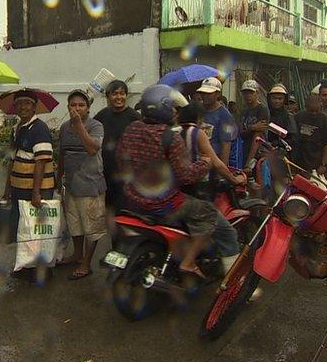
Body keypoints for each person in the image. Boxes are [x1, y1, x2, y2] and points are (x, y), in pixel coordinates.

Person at [118, 85, 239, 278]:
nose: (175, 111)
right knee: (208, 213)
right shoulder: (170, 137)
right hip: (163, 204)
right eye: (172, 107)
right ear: (163, 108)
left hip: (132, 199)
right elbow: (186, 176)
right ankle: (189, 262)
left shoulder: (131, 129)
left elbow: (121, 161)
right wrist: (204, 164)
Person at [0, 89, 56, 281]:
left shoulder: (39, 128)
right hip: (19, 188)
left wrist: (36, 192)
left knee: (37, 231)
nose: (23, 107)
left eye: (27, 103)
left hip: (35, 189)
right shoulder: (19, 127)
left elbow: (41, 161)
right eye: (20, 103)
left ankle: (42, 271)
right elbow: (11, 159)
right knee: (24, 229)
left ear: (34, 107)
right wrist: (7, 189)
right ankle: (27, 266)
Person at [57, 89, 106, 281]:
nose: (77, 109)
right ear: (68, 107)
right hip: (71, 186)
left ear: (88, 108)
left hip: (91, 185)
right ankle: (77, 254)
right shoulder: (63, 127)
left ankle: (86, 262)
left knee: (91, 227)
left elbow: (93, 149)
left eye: (81, 105)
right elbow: (62, 154)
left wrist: (79, 127)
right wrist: (58, 176)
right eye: (73, 105)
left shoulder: (96, 126)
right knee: (74, 224)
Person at [94, 80, 141, 214]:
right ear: (108, 96)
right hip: (106, 171)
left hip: (127, 173)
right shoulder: (102, 115)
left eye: (122, 93)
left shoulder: (134, 117)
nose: (119, 97)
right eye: (115, 94)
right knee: (108, 208)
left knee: (125, 209)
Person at [177, 103, 246, 193]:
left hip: (179, 186)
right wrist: (234, 179)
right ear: (198, 118)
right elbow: (216, 163)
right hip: (198, 187)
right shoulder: (197, 133)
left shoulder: (176, 131)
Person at [197, 77, 237, 165]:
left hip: (213, 162)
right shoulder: (198, 110)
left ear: (217, 94)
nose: (205, 96)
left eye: (209, 93)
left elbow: (226, 145)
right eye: (203, 93)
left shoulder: (226, 116)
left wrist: (222, 173)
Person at [293, 94, 327, 176]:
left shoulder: (326, 120)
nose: (314, 113)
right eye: (311, 111)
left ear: (320, 107)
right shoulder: (298, 117)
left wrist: (323, 164)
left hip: (317, 162)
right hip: (300, 161)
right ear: (306, 107)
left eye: (316, 111)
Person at [238, 80, 270, 169]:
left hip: (258, 152)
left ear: (257, 93)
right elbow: (240, 132)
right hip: (244, 148)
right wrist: (252, 127)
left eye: (251, 93)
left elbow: (258, 134)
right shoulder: (244, 111)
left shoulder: (262, 110)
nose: (248, 96)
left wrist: (249, 162)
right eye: (245, 93)